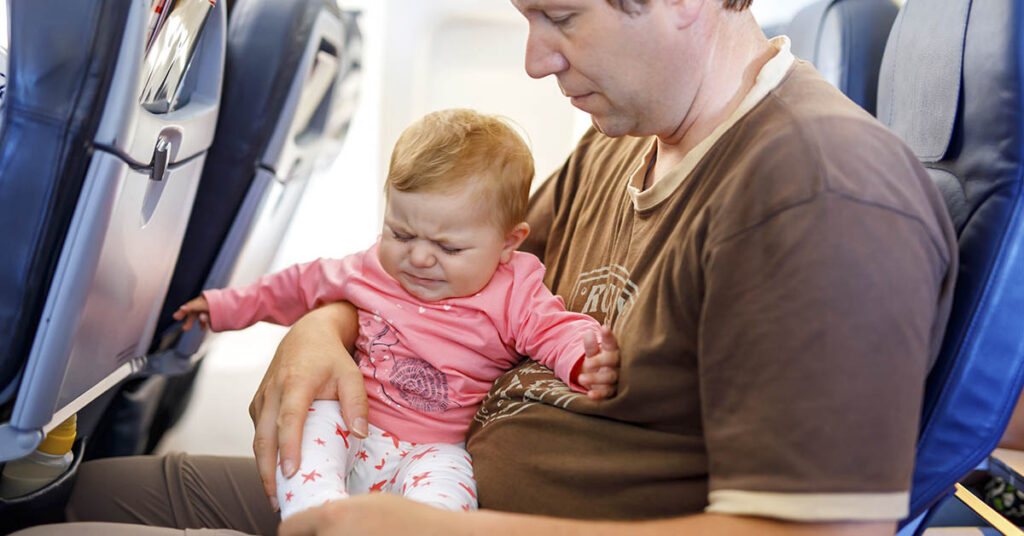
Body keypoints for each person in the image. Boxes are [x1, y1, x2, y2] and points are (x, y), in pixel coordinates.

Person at [14, 0, 957, 535]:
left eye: (562, 16)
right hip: (408, 477)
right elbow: (448, 285)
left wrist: (434, 534)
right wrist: (320, 327)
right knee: (56, 503)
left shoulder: (817, 189)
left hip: (448, 515)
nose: (537, 59)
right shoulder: (622, 143)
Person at [171, 108, 620, 518]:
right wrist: (223, 306)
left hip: (436, 449)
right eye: (401, 234)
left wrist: (583, 358)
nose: (420, 258)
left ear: (508, 243)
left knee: (451, 494)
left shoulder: (513, 291)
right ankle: (315, 516)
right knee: (308, 427)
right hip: (355, 421)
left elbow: (553, 328)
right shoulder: (369, 270)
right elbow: (295, 286)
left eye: (448, 247)